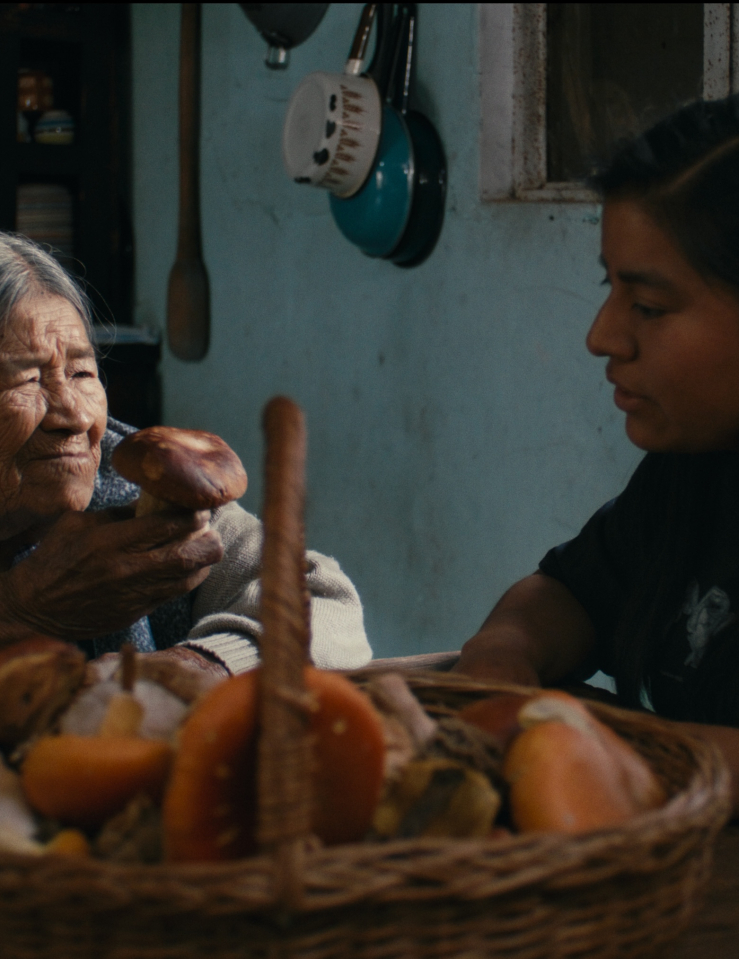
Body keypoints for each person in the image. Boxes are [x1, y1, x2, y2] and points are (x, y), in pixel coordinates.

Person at [454, 95, 739, 814]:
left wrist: (595, 751)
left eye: (646, 305)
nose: (601, 335)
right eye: (606, 287)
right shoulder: (693, 469)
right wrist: (502, 655)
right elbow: (570, 592)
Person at [0, 232, 371, 679]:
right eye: (28, 380)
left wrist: (203, 665)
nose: (76, 416)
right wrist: (18, 613)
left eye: (81, 372)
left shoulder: (142, 488)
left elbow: (326, 603)